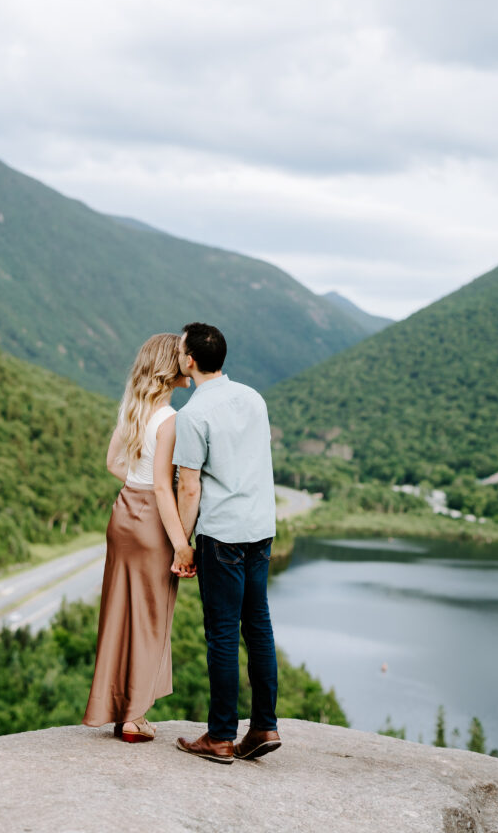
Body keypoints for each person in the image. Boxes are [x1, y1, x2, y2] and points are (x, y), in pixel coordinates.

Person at [172, 322, 281, 764]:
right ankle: (263, 727)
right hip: (261, 527)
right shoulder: (253, 398)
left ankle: (219, 736)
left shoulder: (192, 414)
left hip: (222, 535)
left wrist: (182, 543)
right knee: (258, 627)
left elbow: (189, 488)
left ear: (190, 360)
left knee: (221, 634)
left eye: (181, 349)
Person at [82, 333, 195, 743]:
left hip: (123, 515)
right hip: (151, 523)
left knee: (118, 615)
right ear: (172, 365)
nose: (188, 361)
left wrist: (138, 482)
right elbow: (165, 489)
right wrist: (182, 543)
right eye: (182, 356)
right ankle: (133, 717)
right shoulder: (170, 420)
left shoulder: (134, 409)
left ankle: (112, 706)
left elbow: (113, 462)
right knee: (150, 618)